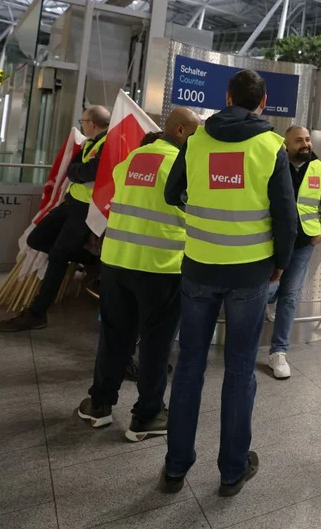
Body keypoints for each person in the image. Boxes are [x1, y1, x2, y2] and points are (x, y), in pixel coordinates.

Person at [160, 70, 298, 497]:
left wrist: (202, 209)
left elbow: (172, 193)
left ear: (227, 97)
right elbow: (286, 217)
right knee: (239, 369)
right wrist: (280, 264)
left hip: (199, 267)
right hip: (250, 274)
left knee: (188, 368)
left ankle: (176, 468)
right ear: (264, 102)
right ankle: (232, 470)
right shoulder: (271, 145)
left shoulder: (197, 140)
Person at [76, 107, 201, 440]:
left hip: (117, 262)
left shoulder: (131, 159)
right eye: (196, 131)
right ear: (179, 131)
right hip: (161, 266)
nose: (200, 138)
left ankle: (99, 404)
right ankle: (147, 415)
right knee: (156, 345)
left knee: (115, 338)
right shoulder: (184, 164)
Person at [0, 106, 112, 332]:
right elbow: (74, 170)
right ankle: (94, 260)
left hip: (87, 209)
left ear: (91, 124)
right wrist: (78, 172)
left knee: (59, 256)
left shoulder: (108, 143)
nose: (81, 125)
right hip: (71, 203)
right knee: (36, 239)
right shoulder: (91, 143)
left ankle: (37, 312)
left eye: (83, 121)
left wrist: (78, 172)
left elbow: (90, 172)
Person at [263, 125, 321, 380]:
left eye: (307, 139)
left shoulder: (319, 168)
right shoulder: (272, 164)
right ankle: (268, 304)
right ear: (286, 144)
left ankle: (278, 352)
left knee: (290, 295)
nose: (305, 144)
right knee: (266, 290)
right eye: (298, 140)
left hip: (304, 242)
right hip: (271, 241)